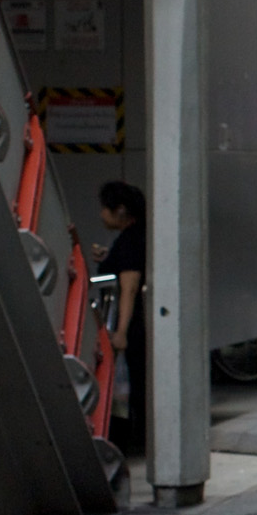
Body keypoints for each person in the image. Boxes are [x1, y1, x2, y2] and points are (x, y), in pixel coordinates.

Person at [92, 181, 147, 456]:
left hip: (135, 326)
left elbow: (129, 287)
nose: (102, 214)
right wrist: (108, 257)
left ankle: (135, 440)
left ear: (121, 210)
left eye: (105, 208)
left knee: (133, 386)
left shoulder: (129, 242)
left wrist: (121, 330)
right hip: (141, 325)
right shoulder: (137, 236)